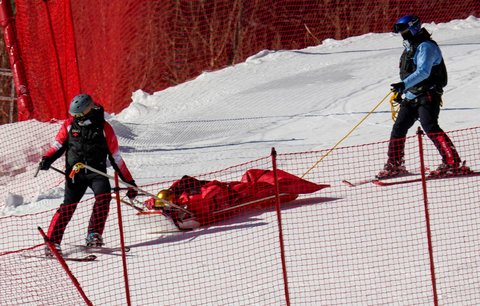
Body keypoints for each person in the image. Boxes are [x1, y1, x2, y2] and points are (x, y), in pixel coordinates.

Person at [39, 94, 138, 256]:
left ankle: (94, 234)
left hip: (96, 172)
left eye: (78, 115)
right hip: (74, 173)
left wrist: (129, 182)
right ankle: (53, 241)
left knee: (103, 197)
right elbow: (58, 145)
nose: (75, 118)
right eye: (73, 115)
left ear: (88, 110)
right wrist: (47, 158)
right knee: (68, 206)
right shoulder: (69, 125)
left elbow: (116, 158)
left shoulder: (104, 128)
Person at [377, 15, 470, 179]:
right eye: (401, 32)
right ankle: (394, 164)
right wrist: (403, 92)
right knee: (399, 127)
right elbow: (410, 72)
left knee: (430, 126)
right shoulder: (410, 47)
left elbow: (423, 72)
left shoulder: (426, 46)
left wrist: (403, 85)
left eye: (405, 31)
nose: (402, 34)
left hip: (428, 94)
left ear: (413, 28)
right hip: (412, 95)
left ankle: (452, 162)